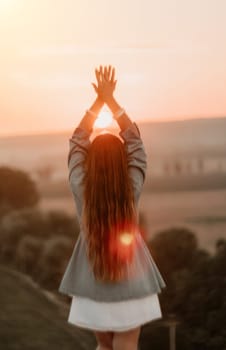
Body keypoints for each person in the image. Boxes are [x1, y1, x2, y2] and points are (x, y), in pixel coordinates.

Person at [58, 65, 166, 350]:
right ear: (123, 163)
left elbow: (76, 143)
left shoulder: (81, 187)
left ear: (88, 164)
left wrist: (97, 103)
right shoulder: (131, 189)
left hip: (91, 282)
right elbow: (136, 143)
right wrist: (112, 102)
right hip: (133, 279)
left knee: (104, 347)